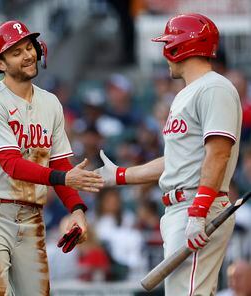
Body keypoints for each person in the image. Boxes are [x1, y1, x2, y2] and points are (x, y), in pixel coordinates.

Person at [96, 13, 242, 295]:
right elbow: (178, 160)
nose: (165, 52)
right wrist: (122, 175)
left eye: (169, 43)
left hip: (197, 205)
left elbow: (219, 154)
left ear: (180, 46)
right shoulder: (187, 93)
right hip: (182, 206)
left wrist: (198, 212)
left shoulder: (215, 87)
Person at [0, 20, 104, 296]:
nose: (27, 55)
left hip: (31, 215)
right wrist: (64, 177)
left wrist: (77, 210)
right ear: (0, 64)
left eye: (29, 47)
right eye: (16, 52)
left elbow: (59, 162)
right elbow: (12, 164)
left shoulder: (50, 103)